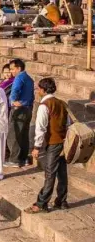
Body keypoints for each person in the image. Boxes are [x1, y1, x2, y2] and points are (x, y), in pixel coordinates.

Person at [26, 78, 72, 213]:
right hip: (63, 142)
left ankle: (41, 203)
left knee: (50, 173)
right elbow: (68, 123)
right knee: (62, 172)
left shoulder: (45, 105)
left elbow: (40, 128)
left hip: (53, 143)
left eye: (39, 88)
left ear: (43, 90)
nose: (37, 91)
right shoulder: (61, 103)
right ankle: (61, 201)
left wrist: (36, 147)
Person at [6, 59, 34, 168]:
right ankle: (24, 158)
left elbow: (15, 91)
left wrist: (13, 101)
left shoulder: (19, 78)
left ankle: (14, 159)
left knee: (14, 134)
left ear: (19, 68)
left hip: (19, 109)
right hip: (28, 108)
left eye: (13, 69)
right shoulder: (29, 79)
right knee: (24, 134)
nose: (11, 71)